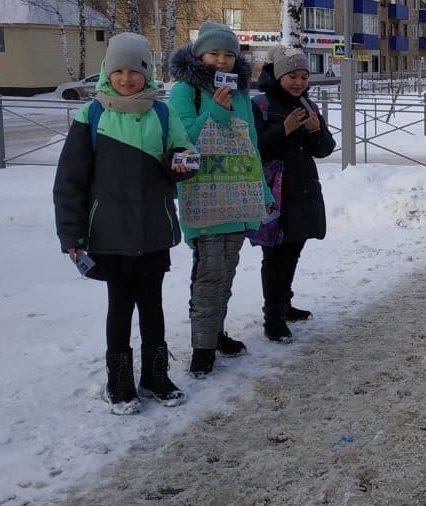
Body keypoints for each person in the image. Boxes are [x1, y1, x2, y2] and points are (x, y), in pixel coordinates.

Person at [53, 34, 197, 415]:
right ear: (106, 72)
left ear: (146, 73)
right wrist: (71, 234)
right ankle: (118, 381)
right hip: (109, 233)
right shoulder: (92, 115)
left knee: (153, 306)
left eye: (134, 70)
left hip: (153, 231)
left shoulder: (163, 114)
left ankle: (155, 375)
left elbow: (183, 156)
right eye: (118, 70)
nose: (126, 78)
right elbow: (70, 181)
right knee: (119, 308)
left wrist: (182, 162)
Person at [168, 21, 270, 379]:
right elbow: (184, 140)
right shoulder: (185, 91)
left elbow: (250, 146)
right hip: (206, 197)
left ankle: (216, 333)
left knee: (226, 273)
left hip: (238, 197)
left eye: (229, 55)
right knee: (209, 274)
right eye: (214, 54)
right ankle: (202, 347)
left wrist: (264, 191)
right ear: (199, 55)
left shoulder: (241, 93)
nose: (222, 61)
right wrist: (215, 109)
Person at [252, 47, 336, 343]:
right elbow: (255, 148)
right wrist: (283, 130)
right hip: (275, 192)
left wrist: (316, 131)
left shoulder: (308, 104)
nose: (298, 82)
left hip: (302, 189)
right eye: (291, 76)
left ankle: (284, 304)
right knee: (275, 255)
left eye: (303, 76)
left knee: (293, 250)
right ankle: (272, 317)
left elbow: (324, 149)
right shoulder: (260, 105)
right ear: (277, 75)